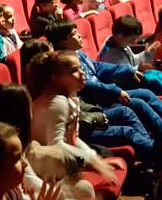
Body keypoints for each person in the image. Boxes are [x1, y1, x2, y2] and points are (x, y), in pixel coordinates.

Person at [45, 20, 162, 144]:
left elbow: (97, 67)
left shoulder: (77, 52)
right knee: (137, 103)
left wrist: (128, 71)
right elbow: (86, 85)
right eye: (73, 34)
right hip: (95, 100)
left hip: (104, 92)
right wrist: (116, 91)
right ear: (62, 42)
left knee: (145, 93)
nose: (79, 35)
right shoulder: (64, 62)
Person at [26, 51, 126, 185]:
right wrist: (94, 164)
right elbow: (56, 149)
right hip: (46, 170)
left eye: (80, 68)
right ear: (54, 78)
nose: (82, 73)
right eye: (74, 70)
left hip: (61, 162)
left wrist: (96, 160)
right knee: (85, 190)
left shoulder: (68, 98)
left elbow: (73, 138)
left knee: (105, 154)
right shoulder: (56, 102)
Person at [98, 15, 162, 104]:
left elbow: (133, 60)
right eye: (133, 38)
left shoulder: (120, 43)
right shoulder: (110, 55)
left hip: (132, 77)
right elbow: (125, 74)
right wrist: (140, 67)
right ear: (120, 36)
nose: (136, 41)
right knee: (152, 77)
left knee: (157, 73)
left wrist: (147, 53)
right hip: (123, 85)